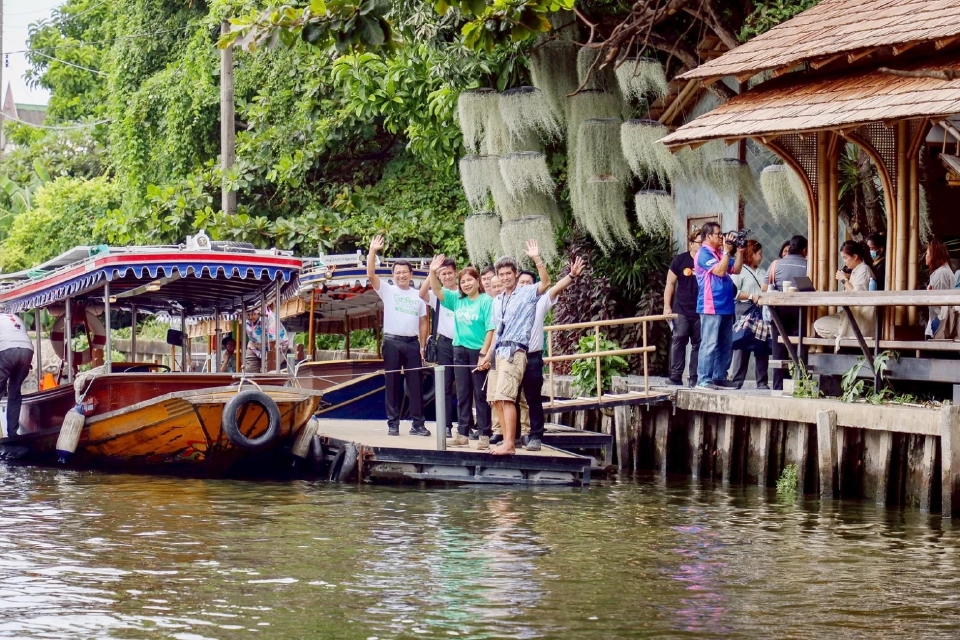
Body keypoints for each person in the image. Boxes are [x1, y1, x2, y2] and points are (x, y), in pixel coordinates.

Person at [514, 256, 586, 451]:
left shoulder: (540, 301)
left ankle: (536, 435)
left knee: (533, 398)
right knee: (510, 397)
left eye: (529, 282)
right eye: (521, 282)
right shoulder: (510, 300)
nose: (525, 285)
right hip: (512, 355)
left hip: (533, 356)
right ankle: (514, 436)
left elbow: (554, 288)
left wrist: (571, 275)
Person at [490, 241, 551, 455]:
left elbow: (545, 282)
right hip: (500, 351)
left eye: (509, 273)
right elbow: (497, 329)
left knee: (508, 398)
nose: (505, 277)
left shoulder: (526, 293)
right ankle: (508, 440)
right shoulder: (498, 299)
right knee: (497, 398)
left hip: (516, 350)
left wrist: (537, 259)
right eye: (502, 274)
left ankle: (509, 444)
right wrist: (489, 355)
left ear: (515, 274)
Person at [428, 258, 496, 449]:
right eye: (463, 281)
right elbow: (437, 291)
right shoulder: (458, 300)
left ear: (478, 281)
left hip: (478, 351)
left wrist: (484, 353)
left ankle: (484, 435)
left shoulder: (486, 301)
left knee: (480, 393)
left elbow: (491, 328)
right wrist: (433, 272)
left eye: (470, 280)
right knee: (463, 392)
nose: (466, 284)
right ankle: (463, 433)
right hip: (459, 350)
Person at [367, 235, 430, 437]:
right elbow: (370, 274)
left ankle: (418, 424)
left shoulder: (418, 295)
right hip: (392, 342)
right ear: (393, 274)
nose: (401, 275)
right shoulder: (388, 290)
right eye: (398, 272)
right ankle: (393, 423)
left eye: (405, 272)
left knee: (415, 385)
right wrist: (373, 251)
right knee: (392, 384)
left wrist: (422, 346)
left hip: (412, 344)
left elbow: (423, 322)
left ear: (411, 274)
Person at [694, 222, 744, 390]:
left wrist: (741, 251)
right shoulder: (703, 254)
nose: (721, 237)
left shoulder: (719, 253)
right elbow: (721, 271)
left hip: (726, 305)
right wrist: (726, 251)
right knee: (709, 343)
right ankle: (703, 379)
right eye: (718, 234)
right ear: (708, 236)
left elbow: (735, 269)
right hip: (711, 306)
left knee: (725, 344)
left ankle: (719, 377)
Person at [420, 256, 457, 438]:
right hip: (443, 343)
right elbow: (421, 293)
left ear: (455, 273)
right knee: (445, 385)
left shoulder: (465, 292)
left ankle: (468, 426)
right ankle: (447, 426)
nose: (448, 276)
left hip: (465, 343)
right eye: (444, 274)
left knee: (469, 386)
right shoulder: (437, 295)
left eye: (450, 273)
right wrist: (432, 271)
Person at [814, 240, 875, 342]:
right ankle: (844, 336)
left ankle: (847, 337)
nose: (844, 262)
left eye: (846, 258)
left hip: (860, 318)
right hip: (850, 314)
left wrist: (843, 280)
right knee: (819, 324)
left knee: (820, 325)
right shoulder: (857, 270)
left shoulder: (864, 269)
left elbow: (857, 296)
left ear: (855, 257)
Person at [664, 228, 702, 387]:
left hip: (700, 309)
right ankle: (675, 375)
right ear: (691, 244)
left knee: (698, 343)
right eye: (699, 243)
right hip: (681, 308)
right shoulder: (680, 260)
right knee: (679, 339)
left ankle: (694, 377)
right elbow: (670, 283)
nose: (701, 246)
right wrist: (667, 306)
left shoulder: (706, 261)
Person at [730, 240, 769, 390]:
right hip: (745, 308)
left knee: (762, 343)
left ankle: (762, 381)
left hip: (760, 309)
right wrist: (751, 296)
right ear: (751, 254)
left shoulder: (762, 272)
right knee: (742, 342)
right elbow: (734, 292)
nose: (761, 257)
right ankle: (737, 380)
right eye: (759, 254)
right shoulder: (740, 271)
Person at [770, 235, 808, 391]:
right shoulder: (808, 265)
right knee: (801, 345)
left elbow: (765, 288)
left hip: (778, 310)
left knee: (778, 346)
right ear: (805, 250)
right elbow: (809, 289)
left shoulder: (775, 265)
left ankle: (779, 386)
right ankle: (801, 384)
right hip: (801, 311)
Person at [0, 313, 34, 438]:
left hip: (7, 350)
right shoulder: (14, 318)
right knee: (14, 394)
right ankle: (12, 434)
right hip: (27, 350)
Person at [243, 307, 289, 373]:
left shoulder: (270, 318)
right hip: (255, 346)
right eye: (248, 315)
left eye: (253, 314)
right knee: (249, 371)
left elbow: (274, 343)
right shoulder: (244, 318)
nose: (250, 317)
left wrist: (270, 361)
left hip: (277, 346)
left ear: (259, 312)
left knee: (270, 371)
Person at [924, 239, 954, 337]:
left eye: (927, 253)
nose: (925, 256)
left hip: (939, 327)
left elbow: (942, 305)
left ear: (934, 255)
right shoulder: (942, 272)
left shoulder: (941, 274)